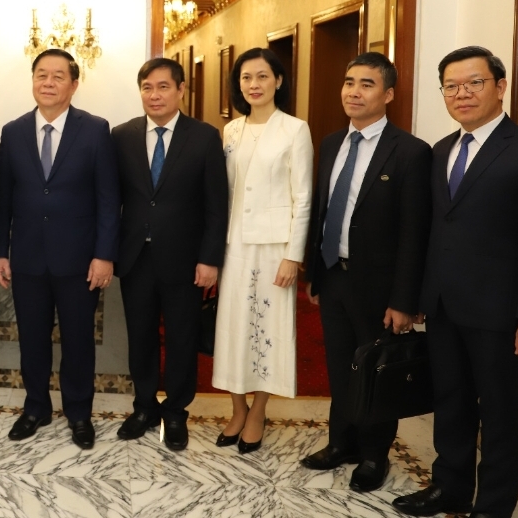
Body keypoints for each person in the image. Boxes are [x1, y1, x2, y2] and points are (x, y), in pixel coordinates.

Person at [394, 47, 518, 518]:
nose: (462, 93)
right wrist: (418, 296)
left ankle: (493, 506)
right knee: (451, 401)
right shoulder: (441, 150)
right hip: (444, 304)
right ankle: (451, 487)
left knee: (499, 412)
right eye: (451, 86)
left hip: (500, 312)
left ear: (500, 87)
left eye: (474, 83)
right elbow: (435, 230)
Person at [300, 52, 431, 492]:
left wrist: (404, 300)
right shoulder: (332, 143)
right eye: (349, 82)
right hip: (334, 275)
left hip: (380, 286)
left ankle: (374, 455)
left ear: (388, 94)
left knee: (375, 371)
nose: (353, 92)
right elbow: (323, 211)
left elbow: (414, 233)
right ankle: (341, 443)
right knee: (339, 366)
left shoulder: (410, 152)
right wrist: (316, 274)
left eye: (367, 84)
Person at [0, 48, 120, 450]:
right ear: (33, 81)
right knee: (31, 339)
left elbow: (108, 198)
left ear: (74, 84)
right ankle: (36, 407)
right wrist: (0, 252)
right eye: (41, 75)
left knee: (78, 341)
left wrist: (104, 254)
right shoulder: (13, 131)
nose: (48, 83)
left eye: (57, 76)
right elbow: (2, 198)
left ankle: (79, 413)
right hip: (27, 258)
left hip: (79, 260)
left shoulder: (95, 130)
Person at [111, 58, 227, 451]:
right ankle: (144, 406)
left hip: (186, 260)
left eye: (163, 87)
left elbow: (216, 205)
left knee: (182, 338)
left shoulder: (204, 137)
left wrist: (210, 259)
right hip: (135, 257)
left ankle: (176, 412)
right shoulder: (122, 135)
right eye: (147, 87)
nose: (154, 95)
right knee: (140, 337)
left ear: (181, 90)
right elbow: (112, 199)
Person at [212, 47, 312, 454]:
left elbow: (303, 197)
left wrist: (293, 255)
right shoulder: (231, 131)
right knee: (232, 327)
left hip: (273, 248)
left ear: (279, 81)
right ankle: (237, 408)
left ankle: (259, 410)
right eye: (246, 78)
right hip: (234, 244)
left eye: (262, 76)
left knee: (268, 327)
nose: (254, 85)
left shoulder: (294, 130)